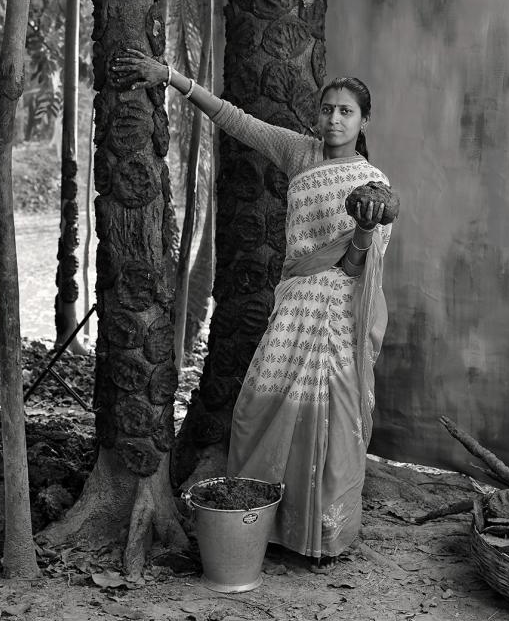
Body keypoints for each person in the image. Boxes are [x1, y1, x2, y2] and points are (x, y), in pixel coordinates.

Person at [112, 49, 394, 574]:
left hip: (334, 317)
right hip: (291, 309)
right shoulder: (300, 154)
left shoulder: (375, 186)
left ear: (363, 121)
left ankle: (318, 535)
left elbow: (359, 268)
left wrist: (364, 227)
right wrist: (171, 78)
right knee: (256, 411)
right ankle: (264, 523)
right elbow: (235, 119)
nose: (334, 118)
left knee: (327, 419)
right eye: (327, 108)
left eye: (346, 111)